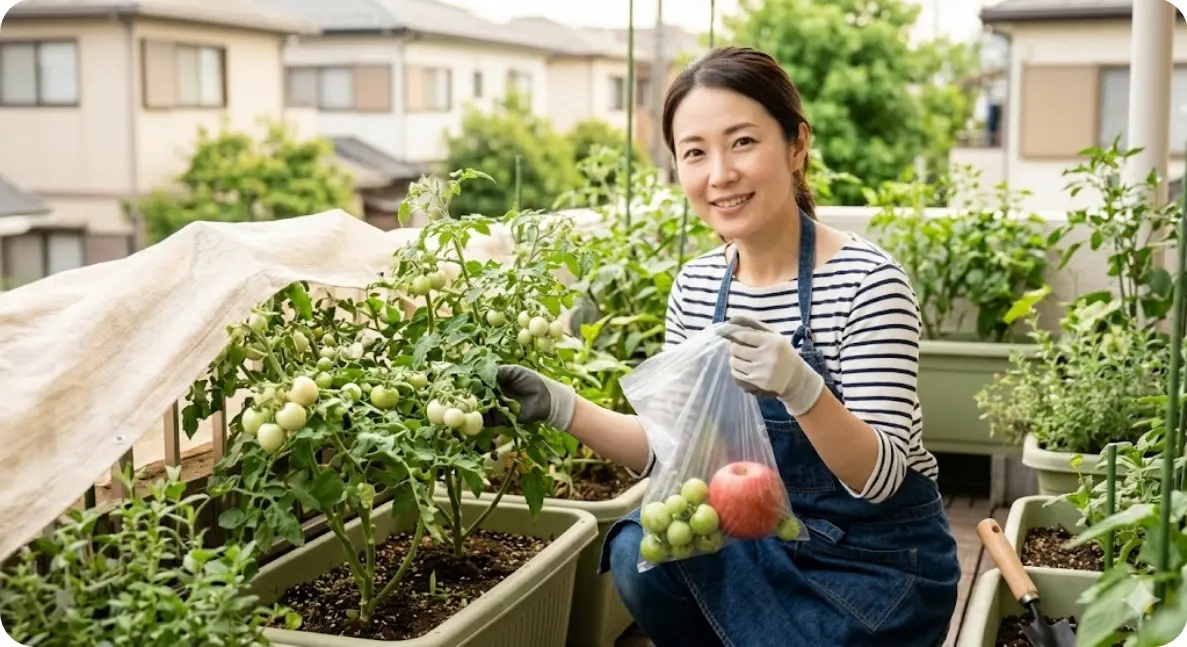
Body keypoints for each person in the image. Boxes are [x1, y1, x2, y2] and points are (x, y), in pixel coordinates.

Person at [493, 46, 960, 647]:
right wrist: (563, 407)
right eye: (695, 153)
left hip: (876, 563)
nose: (719, 174)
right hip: (759, 544)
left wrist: (802, 387)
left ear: (796, 146)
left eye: (742, 142)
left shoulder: (867, 282)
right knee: (640, 550)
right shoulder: (697, 287)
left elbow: (882, 477)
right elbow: (674, 450)